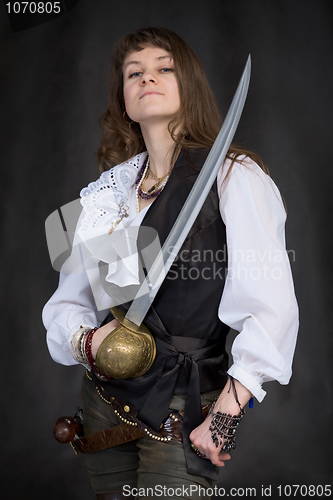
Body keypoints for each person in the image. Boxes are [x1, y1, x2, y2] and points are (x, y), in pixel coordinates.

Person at [43, 27, 299, 500]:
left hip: (181, 405)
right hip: (102, 400)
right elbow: (68, 301)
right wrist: (86, 339)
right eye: (133, 72)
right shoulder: (106, 192)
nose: (148, 78)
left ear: (189, 85)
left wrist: (224, 415)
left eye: (164, 68)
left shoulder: (234, 176)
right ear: (122, 98)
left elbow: (273, 306)